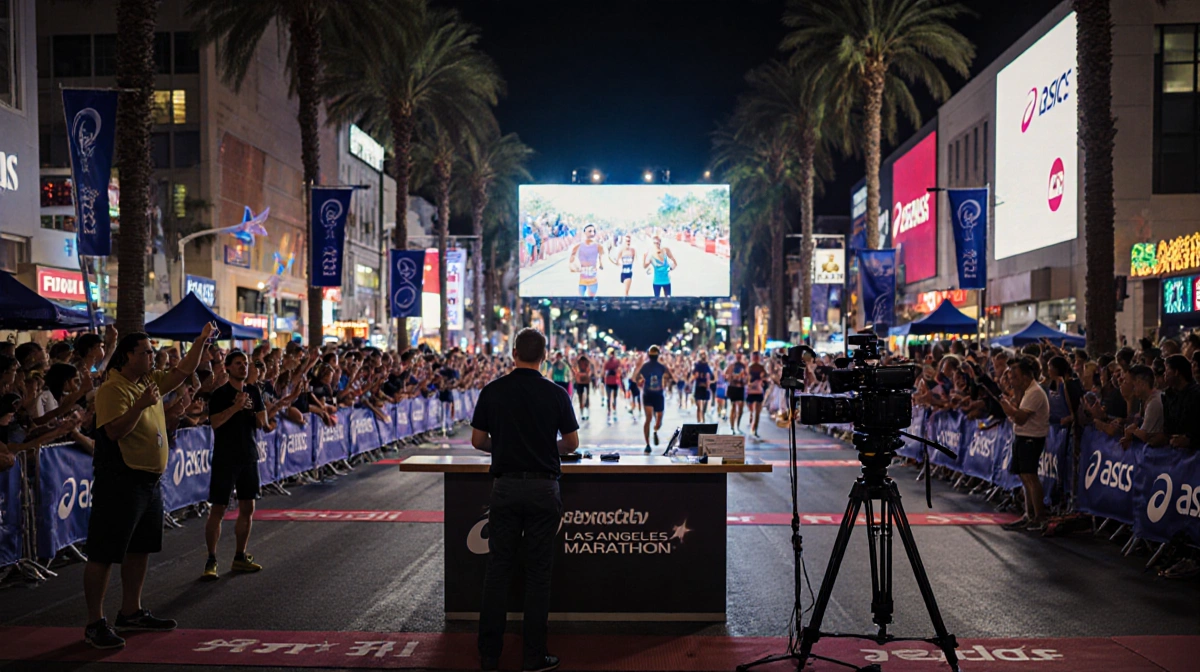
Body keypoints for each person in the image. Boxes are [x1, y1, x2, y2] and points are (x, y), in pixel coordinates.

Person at [82, 323, 214, 649]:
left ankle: (131, 611)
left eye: (153, 352)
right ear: (127, 356)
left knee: (139, 549)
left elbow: (183, 371)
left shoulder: (148, 381)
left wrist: (200, 340)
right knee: (105, 552)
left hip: (150, 481)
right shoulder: (114, 389)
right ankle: (95, 623)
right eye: (146, 352)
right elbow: (114, 432)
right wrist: (141, 405)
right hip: (121, 479)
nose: (153, 357)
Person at [471, 328, 578, 672]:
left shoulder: (493, 390)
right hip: (544, 489)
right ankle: (534, 655)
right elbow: (572, 443)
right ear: (544, 355)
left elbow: (477, 440)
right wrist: (549, 449)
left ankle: (489, 654)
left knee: (497, 571)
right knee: (538, 575)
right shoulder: (556, 393)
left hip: (505, 487)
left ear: (513, 352)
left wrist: (502, 448)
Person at [201, 351, 267, 581]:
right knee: (218, 509)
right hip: (225, 457)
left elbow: (262, 423)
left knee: (248, 508)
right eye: (238, 364)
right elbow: (216, 423)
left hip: (248, 455)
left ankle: (240, 556)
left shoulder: (253, 391)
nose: (243, 367)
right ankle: (211, 559)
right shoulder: (220, 394)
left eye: (245, 364)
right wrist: (236, 407)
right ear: (228, 367)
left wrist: (259, 413)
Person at [998, 357, 1050, 531]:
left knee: (1031, 477)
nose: (1012, 379)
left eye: (1015, 375)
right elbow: (1018, 407)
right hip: (1022, 437)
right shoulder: (1026, 391)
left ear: (1026, 376)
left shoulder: (1035, 392)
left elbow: (1020, 417)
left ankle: (1039, 516)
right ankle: (1029, 514)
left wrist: (1007, 407)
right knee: (1024, 476)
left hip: (1032, 438)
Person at [632, 346, 672, 453]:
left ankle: (655, 430)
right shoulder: (645, 366)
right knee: (648, 418)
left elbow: (670, 376)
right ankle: (647, 443)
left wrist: (665, 380)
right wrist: (640, 381)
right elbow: (635, 378)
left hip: (658, 394)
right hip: (648, 394)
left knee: (659, 421)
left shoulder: (661, 367)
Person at [1160, 354, 1200, 449]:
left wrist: (1190, 440)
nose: (1164, 374)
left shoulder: (1196, 395)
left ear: (1176, 372)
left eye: (1167, 370)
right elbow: (1168, 427)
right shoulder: (1168, 395)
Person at [1121, 365, 1164, 448]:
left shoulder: (1154, 403)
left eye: (1127, 382)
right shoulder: (1145, 400)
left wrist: (1131, 432)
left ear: (1141, 384)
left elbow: (1144, 436)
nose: (1124, 385)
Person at [568, 224, 605, 298]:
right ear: (584, 233)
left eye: (594, 231)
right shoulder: (578, 246)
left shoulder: (599, 246)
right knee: (583, 300)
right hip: (582, 279)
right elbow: (571, 260)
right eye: (590, 231)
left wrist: (600, 265)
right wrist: (573, 267)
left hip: (593, 279)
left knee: (590, 300)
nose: (592, 233)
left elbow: (601, 261)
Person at [745, 351, 769, 439]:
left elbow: (765, 377)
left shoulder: (761, 367)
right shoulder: (749, 367)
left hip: (758, 391)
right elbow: (746, 378)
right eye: (754, 357)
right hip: (751, 391)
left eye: (757, 357)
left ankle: (755, 430)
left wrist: (763, 380)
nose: (755, 359)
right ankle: (752, 417)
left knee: (758, 412)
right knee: (752, 410)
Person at [724, 352, 748, 434]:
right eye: (737, 355)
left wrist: (744, 379)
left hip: (740, 388)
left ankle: (737, 425)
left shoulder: (743, 365)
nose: (738, 357)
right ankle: (732, 426)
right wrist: (731, 376)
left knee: (741, 409)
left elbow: (747, 376)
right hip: (733, 388)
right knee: (733, 407)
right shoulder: (732, 365)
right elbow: (726, 374)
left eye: (740, 355)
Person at [692, 352, 714, 422]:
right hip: (699, 387)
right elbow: (695, 375)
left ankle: (703, 420)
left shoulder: (707, 365)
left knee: (704, 407)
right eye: (702, 355)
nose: (703, 356)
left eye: (704, 355)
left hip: (705, 388)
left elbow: (711, 376)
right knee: (699, 407)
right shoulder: (697, 365)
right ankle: (699, 422)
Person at [602, 349, 622, 422]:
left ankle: (610, 411)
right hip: (613, 381)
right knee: (613, 398)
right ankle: (612, 410)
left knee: (610, 398)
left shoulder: (609, 362)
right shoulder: (615, 361)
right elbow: (619, 369)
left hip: (610, 381)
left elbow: (604, 371)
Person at [573, 353, 592, 421]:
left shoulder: (585, 362)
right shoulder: (579, 362)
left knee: (584, 396)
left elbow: (589, 369)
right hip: (581, 381)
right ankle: (583, 411)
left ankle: (583, 411)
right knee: (583, 396)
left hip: (583, 381)